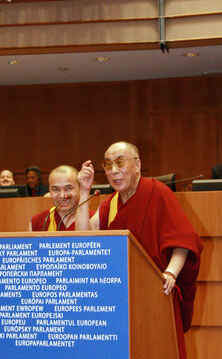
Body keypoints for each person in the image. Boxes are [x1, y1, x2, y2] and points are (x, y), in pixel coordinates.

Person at [76, 141, 203, 359]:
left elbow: (183, 240)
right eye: (108, 165)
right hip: (120, 296)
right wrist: (83, 191)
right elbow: (82, 237)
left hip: (156, 290)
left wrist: (171, 273)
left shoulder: (157, 192)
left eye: (120, 163)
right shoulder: (111, 203)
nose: (113, 171)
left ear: (137, 164)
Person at [29, 165, 94, 231]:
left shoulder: (93, 219)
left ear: (80, 188)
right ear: (49, 191)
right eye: (56, 189)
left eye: (68, 188)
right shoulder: (37, 222)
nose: (62, 195)